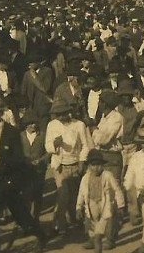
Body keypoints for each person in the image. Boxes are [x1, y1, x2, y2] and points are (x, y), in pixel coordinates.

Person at [0, 98, 48, 252]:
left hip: (12, 178)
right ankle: (39, 235)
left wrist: (1, 162)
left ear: (1, 114)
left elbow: (18, 158)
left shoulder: (12, 132)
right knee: (19, 213)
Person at [45, 99, 93, 238]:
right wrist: (55, 144)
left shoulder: (79, 125)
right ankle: (60, 225)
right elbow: (47, 146)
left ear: (69, 112)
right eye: (58, 114)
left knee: (75, 196)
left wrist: (81, 162)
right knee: (62, 196)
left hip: (75, 164)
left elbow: (86, 145)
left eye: (63, 114)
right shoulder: (52, 125)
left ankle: (75, 221)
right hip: (60, 166)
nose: (61, 117)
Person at [76, 149, 125, 253]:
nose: (96, 168)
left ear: (102, 165)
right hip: (91, 204)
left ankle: (108, 240)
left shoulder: (107, 175)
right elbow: (81, 193)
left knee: (106, 227)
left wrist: (121, 205)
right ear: (89, 166)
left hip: (104, 204)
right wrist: (79, 207)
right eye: (93, 165)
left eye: (99, 165)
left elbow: (117, 190)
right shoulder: (85, 178)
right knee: (91, 226)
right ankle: (93, 239)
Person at [19, 113, 50, 220]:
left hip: (39, 170)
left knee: (37, 195)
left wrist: (41, 161)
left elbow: (48, 152)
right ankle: (26, 219)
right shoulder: (20, 136)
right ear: (26, 125)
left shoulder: (42, 135)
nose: (33, 126)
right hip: (25, 171)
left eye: (35, 123)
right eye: (30, 124)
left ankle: (35, 217)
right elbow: (17, 153)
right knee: (26, 195)